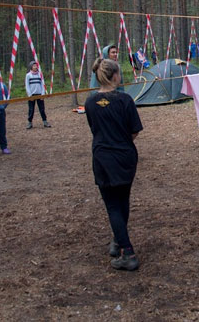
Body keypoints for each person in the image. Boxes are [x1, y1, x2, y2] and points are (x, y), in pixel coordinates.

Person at [85, 57, 143, 271]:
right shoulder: (125, 100)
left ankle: (126, 250)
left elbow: (95, 129)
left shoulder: (90, 102)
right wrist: (122, 142)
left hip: (103, 158)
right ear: (115, 75)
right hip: (125, 157)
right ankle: (120, 242)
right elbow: (134, 130)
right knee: (121, 202)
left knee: (113, 206)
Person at [25, 60, 50, 129]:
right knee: (31, 109)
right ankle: (30, 122)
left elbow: (42, 85)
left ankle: (45, 121)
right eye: (34, 66)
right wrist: (30, 95)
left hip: (39, 94)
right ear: (31, 67)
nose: (35, 67)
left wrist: (42, 94)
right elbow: (27, 86)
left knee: (42, 109)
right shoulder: (28, 75)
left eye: (36, 66)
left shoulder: (40, 74)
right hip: (32, 95)